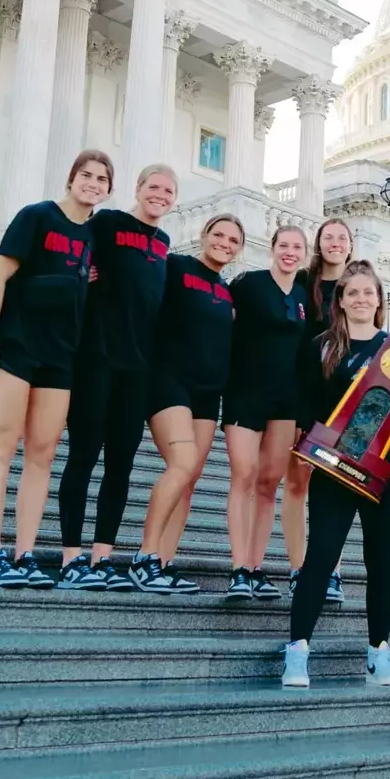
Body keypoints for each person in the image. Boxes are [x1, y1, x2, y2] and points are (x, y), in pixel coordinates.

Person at [281, 260, 390, 689]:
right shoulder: (322, 346)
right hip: (335, 465)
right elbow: (304, 403)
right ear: (340, 302)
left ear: (379, 300)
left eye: (369, 292)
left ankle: (379, 652)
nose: (362, 299)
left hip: (385, 466)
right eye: (353, 293)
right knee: (321, 557)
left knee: (381, 561)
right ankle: (297, 652)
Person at [0, 151, 110, 587]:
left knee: (42, 456)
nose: (93, 183)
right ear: (70, 180)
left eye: (102, 178)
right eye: (86, 175)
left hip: (60, 357)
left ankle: (24, 553)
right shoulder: (36, 216)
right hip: (14, 347)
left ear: (108, 189)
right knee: (2, 448)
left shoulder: (90, 238)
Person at [56, 164, 176, 591]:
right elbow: (73, 252)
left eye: (168, 190)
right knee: (84, 455)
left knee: (121, 465)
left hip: (137, 367)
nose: (160, 195)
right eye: (153, 187)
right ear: (138, 188)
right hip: (96, 357)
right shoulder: (107, 222)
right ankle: (72, 558)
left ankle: (102, 557)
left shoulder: (163, 243)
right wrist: (79, 274)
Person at [131, 213, 245, 592]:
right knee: (180, 465)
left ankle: (163, 563)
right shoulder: (177, 266)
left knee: (190, 479)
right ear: (204, 235)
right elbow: (141, 290)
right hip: (169, 380)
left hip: (208, 392)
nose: (225, 244)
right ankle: (144, 557)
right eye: (219, 235)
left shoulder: (228, 291)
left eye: (233, 241)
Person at [219, 225, 311, 599]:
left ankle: (256, 567)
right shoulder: (248, 283)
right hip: (245, 393)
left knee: (269, 484)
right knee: (243, 474)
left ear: (304, 254)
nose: (290, 252)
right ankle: (238, 567)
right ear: (272, 248)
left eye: (297, 247)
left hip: (287, 402)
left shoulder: (305, 296)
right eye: (284, 245)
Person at [285, 216, 354, 604]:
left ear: (350, 245)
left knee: (335, 489)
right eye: (329, 237)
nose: (335, 243)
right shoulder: (302, 283)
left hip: (343, 400)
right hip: (306, 394)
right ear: (319, 243)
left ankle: (331, 569)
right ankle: (299, 568)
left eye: (342, 238)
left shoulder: (358, 283)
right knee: (296, 483)